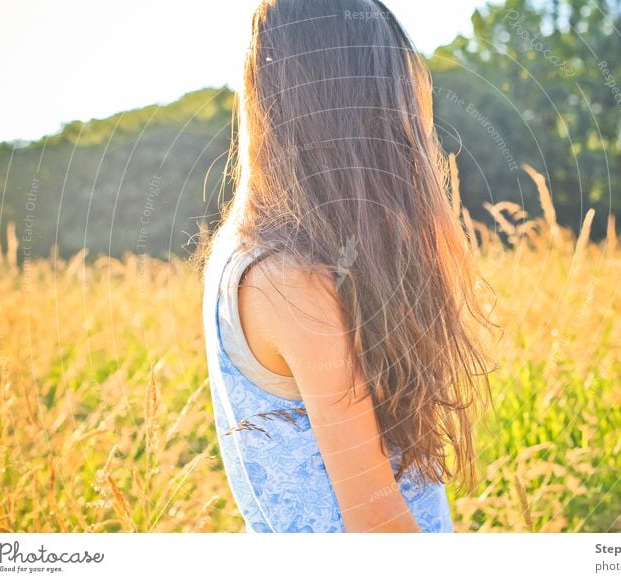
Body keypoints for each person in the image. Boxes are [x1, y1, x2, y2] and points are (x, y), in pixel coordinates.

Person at [201, 0, 493, 533]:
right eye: (401, 115)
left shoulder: (246, 250)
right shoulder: (292, 285)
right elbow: (376, 525)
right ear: (364, 119)